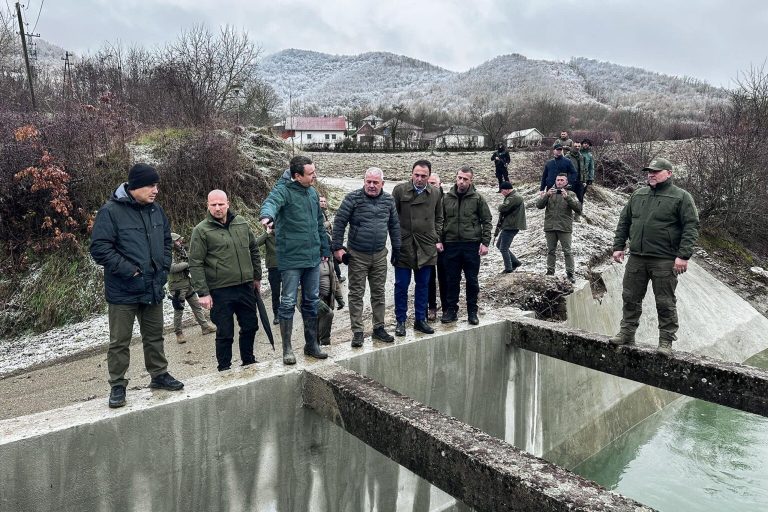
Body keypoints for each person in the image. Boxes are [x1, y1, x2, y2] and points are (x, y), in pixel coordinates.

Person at [90, 163, 183, 409]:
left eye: (157, 185)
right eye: (151, 185)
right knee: (119, 341)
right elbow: (99, 249)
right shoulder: (110, 212)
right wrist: (129, 270)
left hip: (152, 285)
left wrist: (163, 269)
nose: (156, 190)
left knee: (154, 336)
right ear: (135, 187)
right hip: (123, 290)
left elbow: (165, 240)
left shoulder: (156, 210)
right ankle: (118, 385)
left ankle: (159, 375)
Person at [609, 157, 699, 354]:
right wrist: (618, 246)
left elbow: (691, 227)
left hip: (665, 259)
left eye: (656, 171)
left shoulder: (681, 197)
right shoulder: (638, 195)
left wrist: (683, 256)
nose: (651, 174)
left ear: (669, 173)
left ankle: (666, 340)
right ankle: (626, 332)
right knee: (630, 297)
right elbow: (624, 222)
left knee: (665, 301)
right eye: (649, 171)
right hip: (637, 257)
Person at [260, 155, 330, 364]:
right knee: (288, 302)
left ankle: (311, 344)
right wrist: (267, 216)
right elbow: (271, 203)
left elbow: (319, 223)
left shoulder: (312, 193)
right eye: (310, 174)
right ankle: (287, 349)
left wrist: (324, 248)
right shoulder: (283, 190)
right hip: (291, 258)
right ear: (297, 176)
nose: (314, 176)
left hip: (312, 258)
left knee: (311, 301)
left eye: (314, 172)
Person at [189, 190, 262, 372]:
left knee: (250, 325)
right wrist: (203, 292)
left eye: (221, 204)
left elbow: (253, 250)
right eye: (213, 205)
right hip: (220, 291)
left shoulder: (242, 223)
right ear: (208, 206)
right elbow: (195, 263)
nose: (217, 208)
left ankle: (249, 361)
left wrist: (256, 277)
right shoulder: (201, 230)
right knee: (225, 332)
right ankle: (224, 368)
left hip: (245, 286)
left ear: (228, 203)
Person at [332, 167, 401, 347]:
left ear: (382, 184)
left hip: (379, 255)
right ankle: (357, 331)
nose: (371, 185)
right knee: (356, 293)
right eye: (368, 182)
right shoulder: (352, 198)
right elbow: (339, 222)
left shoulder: (388, 200)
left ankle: (378, 328)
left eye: (375, 182)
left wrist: (397, 249)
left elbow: (394, 226)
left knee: (379, 292)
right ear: (364, 181)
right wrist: (338, 248)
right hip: (357, 255)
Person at [392, 160, 443, 337]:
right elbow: (392, 217)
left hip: (426, 246)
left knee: (423, 285)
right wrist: (397, 238)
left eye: (424, 176)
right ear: (412, 174)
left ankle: (420, 320)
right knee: (401, 285)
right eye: (417, 175)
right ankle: (400, 321)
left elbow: (439, 217)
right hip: (405, 245)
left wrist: (435, 236)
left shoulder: (436, 193)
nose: (419, 179)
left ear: (429, 177)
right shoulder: (399, 190)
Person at [440, 165, 493, 325]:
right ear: (456, 178)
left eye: (465, 179)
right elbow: (440, 221)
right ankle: (451, 310)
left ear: (471, 181)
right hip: (451, 245)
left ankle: (472, 311)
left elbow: (487, 221)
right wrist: (439, 239)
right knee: (451, 280)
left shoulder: (478, 198)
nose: (461, 182)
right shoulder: (446, 198)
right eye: (459, 178)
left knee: (472, 280)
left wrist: (485, 243)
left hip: (471, 245)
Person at [168, 232, 216, 343]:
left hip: (188, 283)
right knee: (179, 310)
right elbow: (171, 268)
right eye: (177, 240)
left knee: (197, 306)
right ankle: (178, 333)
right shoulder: (168, 253)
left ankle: (205, 327)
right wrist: (187, 264)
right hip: (177, 287)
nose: (180, 242)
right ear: (171, 243)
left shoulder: (182, 251)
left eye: (180, 240)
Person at [536, 173, 582, 282]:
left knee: (567, 251)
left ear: (566, 182)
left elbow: (578, 209)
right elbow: (539, 206)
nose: (559, 182)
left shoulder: (571, 194)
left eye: (562, 180)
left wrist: (568, 198)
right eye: (558, 180)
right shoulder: (550, 193)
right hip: (550, 226)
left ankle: (570, 273)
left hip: (564, 227)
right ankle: (550, 272)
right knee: (551, 251)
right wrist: (546, 195)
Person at [427, 172, 447, 322]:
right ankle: (432, 307)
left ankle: (446, 307)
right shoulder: (424, 198)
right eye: (430, 182)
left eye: (434, 183)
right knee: (429, 278)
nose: (431, 185)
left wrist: (439, 239)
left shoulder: (447, 200)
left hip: (444, 245)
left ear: (440, 184)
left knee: (444, 277)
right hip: (427, 244)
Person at [495, 182, 527, 273]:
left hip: (511, 226)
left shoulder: (514, 197)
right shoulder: (512, 196)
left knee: (503, 248)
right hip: (509, 225)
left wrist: (500, 206)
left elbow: (502, 208)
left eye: (502, 191)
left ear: (507, 189)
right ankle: (515, 262)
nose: (501, 193)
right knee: (499, 245)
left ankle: (508, 268)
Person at [255, 229, 280, 325]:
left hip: (286, 265)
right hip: (273, 267)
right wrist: (266, 233)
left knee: (288, 292)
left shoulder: (283, 230)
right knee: (275, 292)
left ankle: (287, 312)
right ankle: (276, 314)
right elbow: (256, 243)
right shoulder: (267, 235)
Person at [319, 195, 345, 283]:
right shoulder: (318, 213)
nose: (323, 203)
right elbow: (320, 227)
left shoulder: (323, 212)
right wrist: (328, 223)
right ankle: (336, 278)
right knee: (331, 258)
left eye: (324, 201)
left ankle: (337, 276)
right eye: (321, 201)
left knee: (333, 257)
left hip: (328, 239)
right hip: (324, 240)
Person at [566, 142, 586, 220]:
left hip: (579, 181)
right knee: (569, 197)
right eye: (575, 146)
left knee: (580, 198)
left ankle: (578, 214)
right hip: (570, 181)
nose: (577, 147)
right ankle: (568, 214)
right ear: (572, 147)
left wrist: (584, 180)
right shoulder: (568, 156)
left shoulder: (581, 156)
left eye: (579, 146)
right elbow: (565, 169)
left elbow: (584, 170)